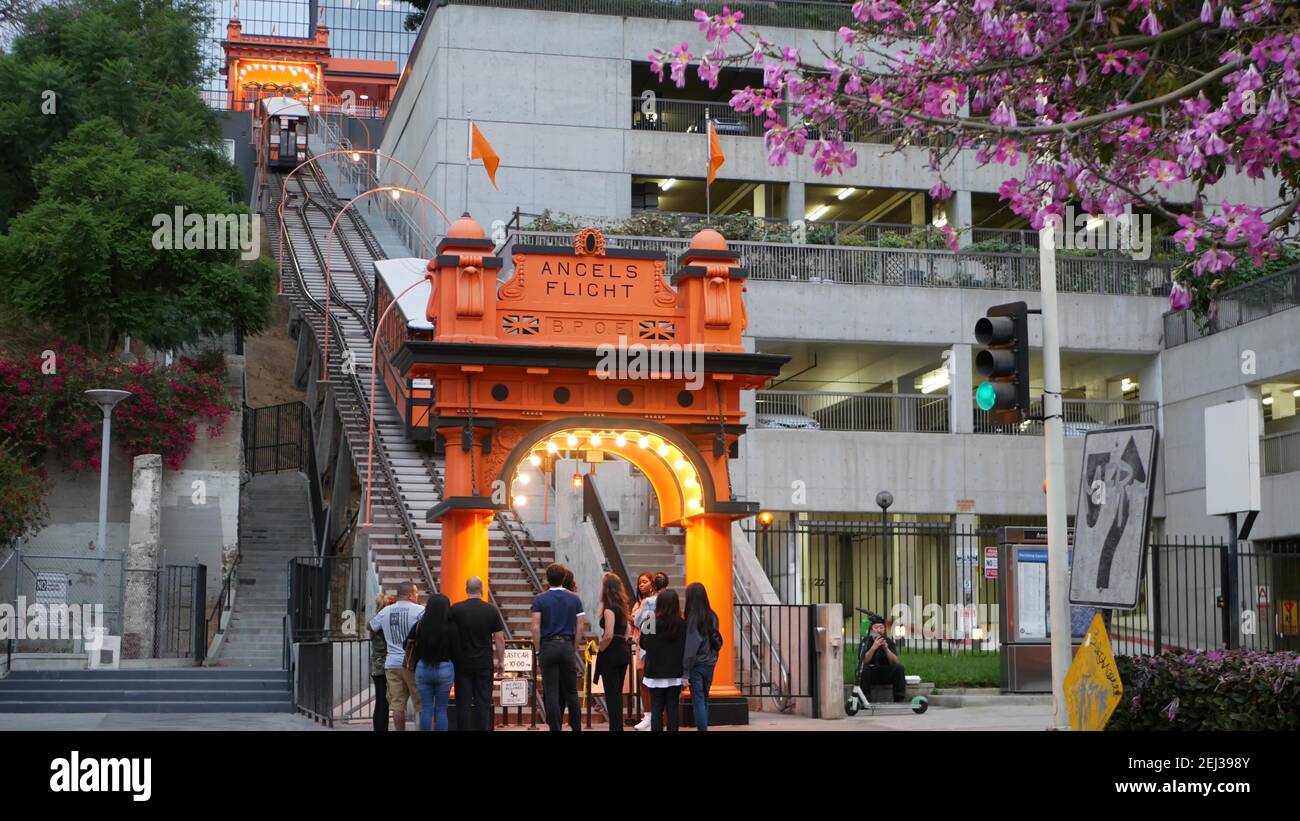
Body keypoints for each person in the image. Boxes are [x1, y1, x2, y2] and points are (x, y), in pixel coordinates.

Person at [530, 563, 585, 732]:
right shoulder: (574, 598)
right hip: (567, 645)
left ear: (547, 578)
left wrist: (539, 650)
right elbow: (581, 626)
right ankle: (576, 727)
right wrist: (573, 647)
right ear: (563, 578)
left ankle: (555, 727)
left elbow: (535, 627)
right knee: (571, 692)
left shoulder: (540, 599)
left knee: (551, 691)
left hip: (548, 646)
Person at [450, 576, 505, 731]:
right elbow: (499, 638)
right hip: (484, 664)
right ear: (482, 590)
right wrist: (501, 661)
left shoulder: (456, 609)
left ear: (466, 589)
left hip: (461, 664)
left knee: (463, 703)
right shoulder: (491, 610)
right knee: (483, 702)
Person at [368, 581, 424, 731]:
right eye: (417, 593)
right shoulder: (420, 611)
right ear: (411, 595)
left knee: (397, 705)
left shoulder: (386, 611)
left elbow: (371, 626)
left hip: (391, 664)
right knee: (420, 703)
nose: (418, 596)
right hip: (412, 663)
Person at [638, 588, 686, 732]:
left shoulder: (651, 620)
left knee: (656, 707)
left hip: (655, 670)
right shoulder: (682, 623)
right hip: (675, 671)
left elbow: (643, 643)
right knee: (672, 707)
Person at [411, 593, 459, 732]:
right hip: (445, 668)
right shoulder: (452, 627)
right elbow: (457, 650)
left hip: (423, 668)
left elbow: (406, 644)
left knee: (426, 709)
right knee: (441, 710)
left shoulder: (420, 625)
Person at [594, 572, 632, 731]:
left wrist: (599, 648)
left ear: (607, 588)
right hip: (623, 651)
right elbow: (627, 631)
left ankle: (615, 727)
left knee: (612, 694)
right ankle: (618, 726)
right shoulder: (623, 607)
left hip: (611, 652)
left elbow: (608, 634)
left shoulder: (609, 609)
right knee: (617, 692)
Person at [630, 571, 666, 731]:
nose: (641, 585)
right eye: (639, 583)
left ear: (652, 583)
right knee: (643, 679)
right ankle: (648, 715)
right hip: (641, 643)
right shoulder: (639, 603)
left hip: (650, 643)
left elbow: (637, 620)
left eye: (645, 581)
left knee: (654, 681)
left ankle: (657, 717)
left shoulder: (651, 602)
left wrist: (635, 617)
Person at [682, 582, 720, 731]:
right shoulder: (713, 615)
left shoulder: (693, 618)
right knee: (705, 699)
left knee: (698, 700)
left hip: (696, 665)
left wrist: (685, 671)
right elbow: (716, 640)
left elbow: (691, 647)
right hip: (710, 663)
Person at [861, 617, 906, 703]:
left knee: (899, 668)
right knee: (864, 669)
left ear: (884, 630)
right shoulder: (866, 641)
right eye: (876, 627)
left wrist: (886, 649)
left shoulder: (888, 642)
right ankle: (865, 699)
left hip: (884, 672)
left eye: (881, 627)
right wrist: (874, 647)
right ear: (871, 630)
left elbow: (895, 662)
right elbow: (864, 661)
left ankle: (899, 698)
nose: (879, 630)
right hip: (871, 673)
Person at [369, 592, 396, 731]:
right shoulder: (382, 622)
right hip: (383, 666)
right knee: (382, 702)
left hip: (377, 666)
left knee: (381, 701)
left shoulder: (376, 620)